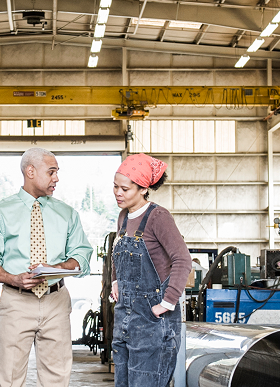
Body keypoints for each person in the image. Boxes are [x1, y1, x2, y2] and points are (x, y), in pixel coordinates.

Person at [0, 147, 95, 387]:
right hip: (16, 301)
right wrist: (13, 279)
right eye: (51, 172)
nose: (57, 178)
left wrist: (57, 267)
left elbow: (81, 257)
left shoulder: (67, 214)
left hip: (56, 301)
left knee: (57, 376)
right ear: (30, 171)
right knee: (8, 377)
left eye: (57, 172)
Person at [109, 153, 190, 387]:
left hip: (152, 321)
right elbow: (118, 253)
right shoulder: (123, 217)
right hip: (125, 318)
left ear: (143, 188)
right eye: (115, 187)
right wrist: (116, 281)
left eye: (125, 189)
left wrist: (166, 303)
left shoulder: (158, 217)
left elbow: (183, 260)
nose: (118, 193)